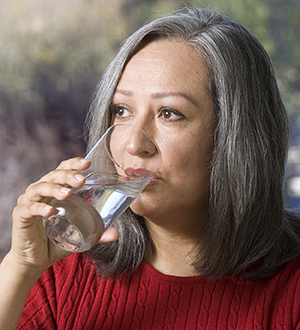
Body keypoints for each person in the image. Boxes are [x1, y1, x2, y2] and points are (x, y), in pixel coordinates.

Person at [1, 6, 300, 329]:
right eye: (122, 110)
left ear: (237, 135)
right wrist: (21, 266)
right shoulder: (60, 272)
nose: (133, 144)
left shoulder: (291, 289)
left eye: (170, 113)